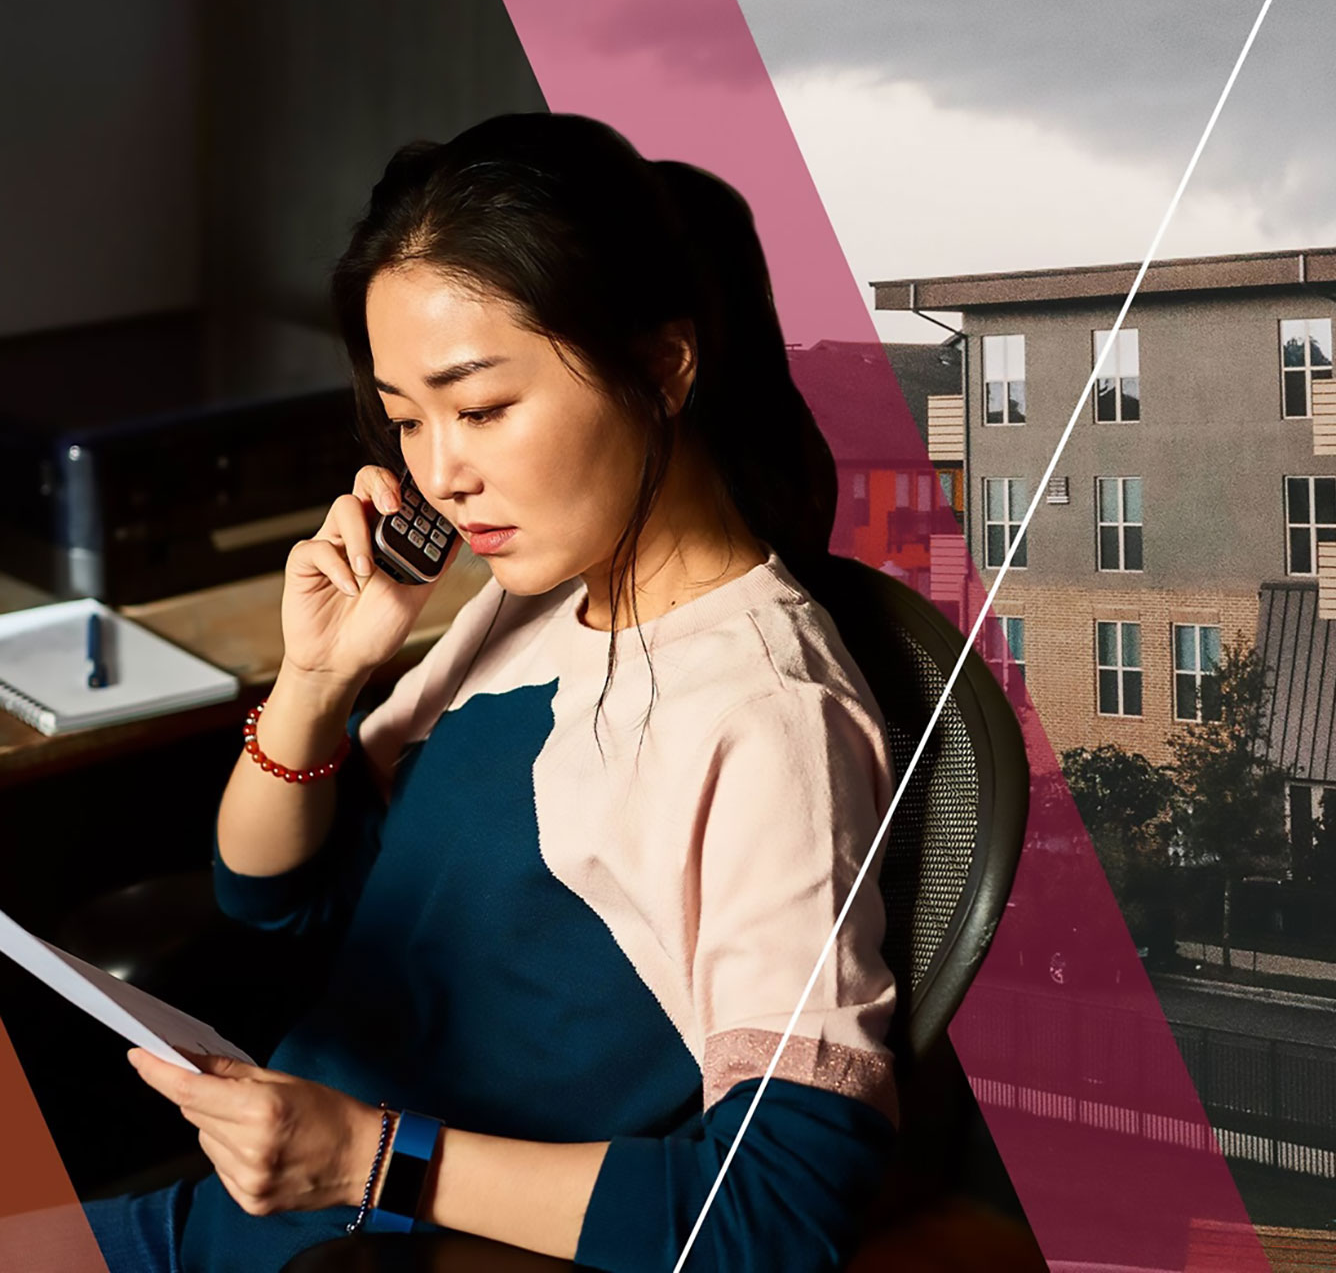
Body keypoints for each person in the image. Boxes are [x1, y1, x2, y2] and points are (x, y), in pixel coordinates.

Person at [81, 112, 900, 1273]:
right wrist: (319, 676)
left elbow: (775, 1214)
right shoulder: (537, 591)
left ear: (663, 366)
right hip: (232, 1221)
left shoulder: (766, 716)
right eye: (408, 420)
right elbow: (273, 896)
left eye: (482, 408)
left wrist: (370, 1158)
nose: (441, 474)